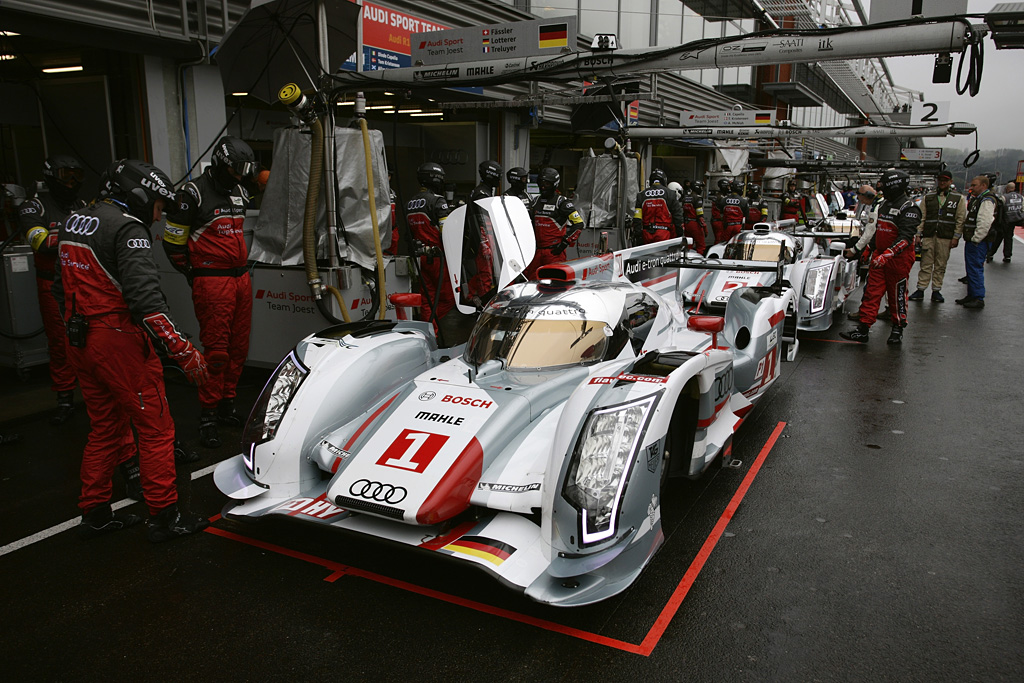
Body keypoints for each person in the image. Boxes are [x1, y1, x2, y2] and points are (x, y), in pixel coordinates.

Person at [52, 159, 210, 541]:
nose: (157, 217)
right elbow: (147, 302)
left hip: (78, 337)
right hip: (116, 340)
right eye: (157, 206)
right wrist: (183, 349)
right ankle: (164, 517)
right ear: (138, 196)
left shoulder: (75, 220)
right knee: (156, 429)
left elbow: (59, 289)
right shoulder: (128, 228)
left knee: (105, 427)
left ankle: (94, 512)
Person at [163, 136, 258, 449]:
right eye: (237, 169)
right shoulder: (191, 194)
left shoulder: (240, 191)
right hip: (212, 281)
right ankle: (207, 415)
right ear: (221, 163)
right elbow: (172, 244)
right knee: (216, 353)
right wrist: (195, 274)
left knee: (238, 348)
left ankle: (227, 404)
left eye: (245, 170)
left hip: (240, 279)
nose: (241, 175)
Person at [18, 155, 87, 425]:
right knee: (61, 342)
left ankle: (98, 393)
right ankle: (65, 399)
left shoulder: (82, 205)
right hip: (52, 283)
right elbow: (42, 242)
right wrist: (77, 234)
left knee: (94, 338)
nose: (71, 182)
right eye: (65, 175)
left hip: (83, 280)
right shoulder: (33, 207)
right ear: (51, 176)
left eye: (77, 176)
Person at [840, 169, 921, 344]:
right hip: (879, 257)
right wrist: (870, 248)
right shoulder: (884, 204)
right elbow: (878, 230)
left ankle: (897, 329)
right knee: (871, 293)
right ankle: (863, 330)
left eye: (884, 186)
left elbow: (906, 238)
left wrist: (887, 255)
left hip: (898, 260)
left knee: (897, 295)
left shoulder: (909, 208)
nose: (882, 189)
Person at [405, 162, 454, 328]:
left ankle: (430, 332)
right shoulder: (438, 201)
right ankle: (429, 325)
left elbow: (408, 235)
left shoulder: (410, 203)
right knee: (450, 298)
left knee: (427, 299)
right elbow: (446, 231)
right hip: (438, 258)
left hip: (421, 259)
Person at [908, 170, 966, 303]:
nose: (942, 182)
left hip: (945, 237)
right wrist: (918, 234)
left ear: (950, 182)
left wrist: (956, 237)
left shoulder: (958, 198)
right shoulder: (928, 197)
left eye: (945, 180)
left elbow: (960, 219)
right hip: (929, 235)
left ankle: (936, 290)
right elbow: (921, 217)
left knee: (940, 265)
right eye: (940, 180)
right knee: (925, 264)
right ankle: (920, 289)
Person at [525, 167, 584, 280]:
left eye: (546, 183)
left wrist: (564, 244)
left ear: (554, 184)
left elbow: (579, 224)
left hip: (554, 253)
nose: (543, 186)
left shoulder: (562, 202)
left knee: (555, 285)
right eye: (541, 183)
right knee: (532, 283)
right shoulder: (535, 202)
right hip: (536, 252)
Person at [956, 175, 998, 309]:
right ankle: (972, 294)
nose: (971, 188)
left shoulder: (987, 200)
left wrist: (976, 238)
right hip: (974, 241)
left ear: (984, 186)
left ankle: (978, 297)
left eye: (974, 185)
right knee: (971, 267)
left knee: (975, 268)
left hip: (978, 242)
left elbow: (985, 222)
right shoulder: (979, 199)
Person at [633, 169, 684, 245]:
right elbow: (678, 217)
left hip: (646, 234)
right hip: (663, 234)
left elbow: (637, 218)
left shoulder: (641, 195)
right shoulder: (670, 194)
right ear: (664, 180)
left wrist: (638, 236)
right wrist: (679, 233)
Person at [988, 182, 1020, 263]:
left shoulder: (1004, 197)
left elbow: (999, 208)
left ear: (1007, 188)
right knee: (1009, 238)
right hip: (1014, 220)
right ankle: (1007, 255)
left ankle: (991, 253)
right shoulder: (1021, 197)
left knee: (999, 237)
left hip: (1004, 220)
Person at [681, 180, 708, 254]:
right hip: (695, 224)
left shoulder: (685, 198)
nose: (702, 189)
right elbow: (699, 214)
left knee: (688, 244)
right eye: (701, 187)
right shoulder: (698, 198)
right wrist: (704, 227)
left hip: (687, 224)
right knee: (701, 246)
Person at [710, 179, 728, 243]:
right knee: (719, 239)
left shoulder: (717, 195)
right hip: (719, 221)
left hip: (715, 220)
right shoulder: (721, 197)